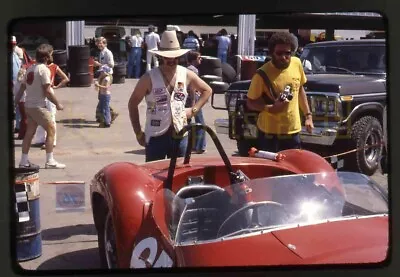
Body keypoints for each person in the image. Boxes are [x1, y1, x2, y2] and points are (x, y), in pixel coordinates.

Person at [128, 30, 212, 162]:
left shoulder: (186, 74)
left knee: (180, 174)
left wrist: (193, 110)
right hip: (156, 136)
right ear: (161, 57)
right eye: (167, 57)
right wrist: (138, 132)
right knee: (155, 176)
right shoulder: (148, 78)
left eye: (175, 57)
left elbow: (207, 90)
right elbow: (132, 104)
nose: (171, 61)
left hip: (180, 133)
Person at [246, 32, 314, 153]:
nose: (283, 57)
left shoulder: (296, 63)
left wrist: (308, 116)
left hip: (293, 131)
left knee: (293, 169)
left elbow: (300, 90)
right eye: (279, 53)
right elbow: (250, 102)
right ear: (272, 53)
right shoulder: (261, 74)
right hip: (269, 134)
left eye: (287, 53)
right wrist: (270, 108)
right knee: (271, 170)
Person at [14, 44, 66, 169]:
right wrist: (58, 104)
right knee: (51, 130)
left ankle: (24, 161)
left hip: (29, 106)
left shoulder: (30, 68)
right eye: (51, 54)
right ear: (47, 56)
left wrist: (15, 103)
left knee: (29, 133)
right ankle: (50, 161)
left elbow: (22, 88)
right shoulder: (44, 69)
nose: (52, 56)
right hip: (39, 107)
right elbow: (47, 90)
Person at [33, 51, 69, 149]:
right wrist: (57, 86)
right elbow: (66, 79)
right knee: (44, 116)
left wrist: (56, 86)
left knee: (48, 117)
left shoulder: (44, 67)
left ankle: (49, 140)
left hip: (45, 91)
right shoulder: (51, 67)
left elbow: (66, 78)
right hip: (46, 90)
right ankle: (42, 139)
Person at [93, 37, 119, 123]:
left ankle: (105, 116)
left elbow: (111, 65)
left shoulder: (108, 53)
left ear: (105, 44)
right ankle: (107, 114)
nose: (99, 45)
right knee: (101, 97)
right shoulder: (101, 52)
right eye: (98, 43)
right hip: (102, 75)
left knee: (103, 97)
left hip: (107, 76)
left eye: (101, 43)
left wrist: (99, 64)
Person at [186, 51, 206, 154]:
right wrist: (194, 101)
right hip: (193, 99)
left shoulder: (186, 69)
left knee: (186, 122)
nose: (200, 59)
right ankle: (200, 146)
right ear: (194, 60)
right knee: (200, 122)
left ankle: (188, 144)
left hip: (186, 99)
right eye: (199, 58)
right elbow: (192, 87)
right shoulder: (193, 70)